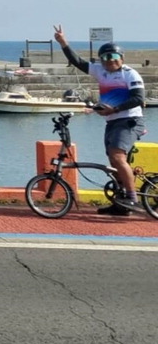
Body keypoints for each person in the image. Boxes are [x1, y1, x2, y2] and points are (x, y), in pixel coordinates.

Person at [53, 25, 146, 215]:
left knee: (117, 157)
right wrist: (63, 43)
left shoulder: (129, 74)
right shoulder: (100, 71)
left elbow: (138, 98)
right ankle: (121, 204)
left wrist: (115, 109)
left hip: (129, 120)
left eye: (114, 56)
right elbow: (77, 61)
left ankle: (132, 198)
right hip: (112, 122)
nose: (110, 60)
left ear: (121, 58)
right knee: (114, 162)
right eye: (105, 57)